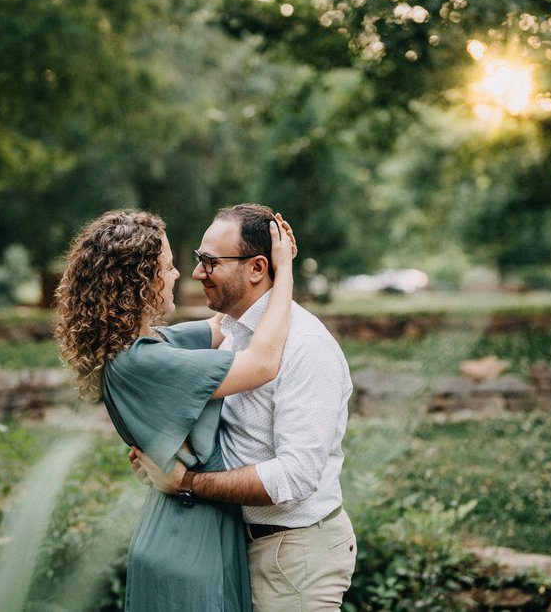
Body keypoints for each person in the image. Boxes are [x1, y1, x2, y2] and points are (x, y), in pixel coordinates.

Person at [53, 208, 296, 612]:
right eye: (167, 267)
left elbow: (225, 326)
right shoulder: (146, 362)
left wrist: (258, 268)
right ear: (142, 281)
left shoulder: (143, 347)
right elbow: (262, 363)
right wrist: (284, 270)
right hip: (190, 544)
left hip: (183, 529)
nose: (180, 275)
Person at [134, 203, 357, 611]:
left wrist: (186, 482)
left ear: (257, 268)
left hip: (293, 554)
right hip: (244, 544)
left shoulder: (306, 347)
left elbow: (293, 479)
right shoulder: (233, 330)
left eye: (209, 262)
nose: (197, 272)